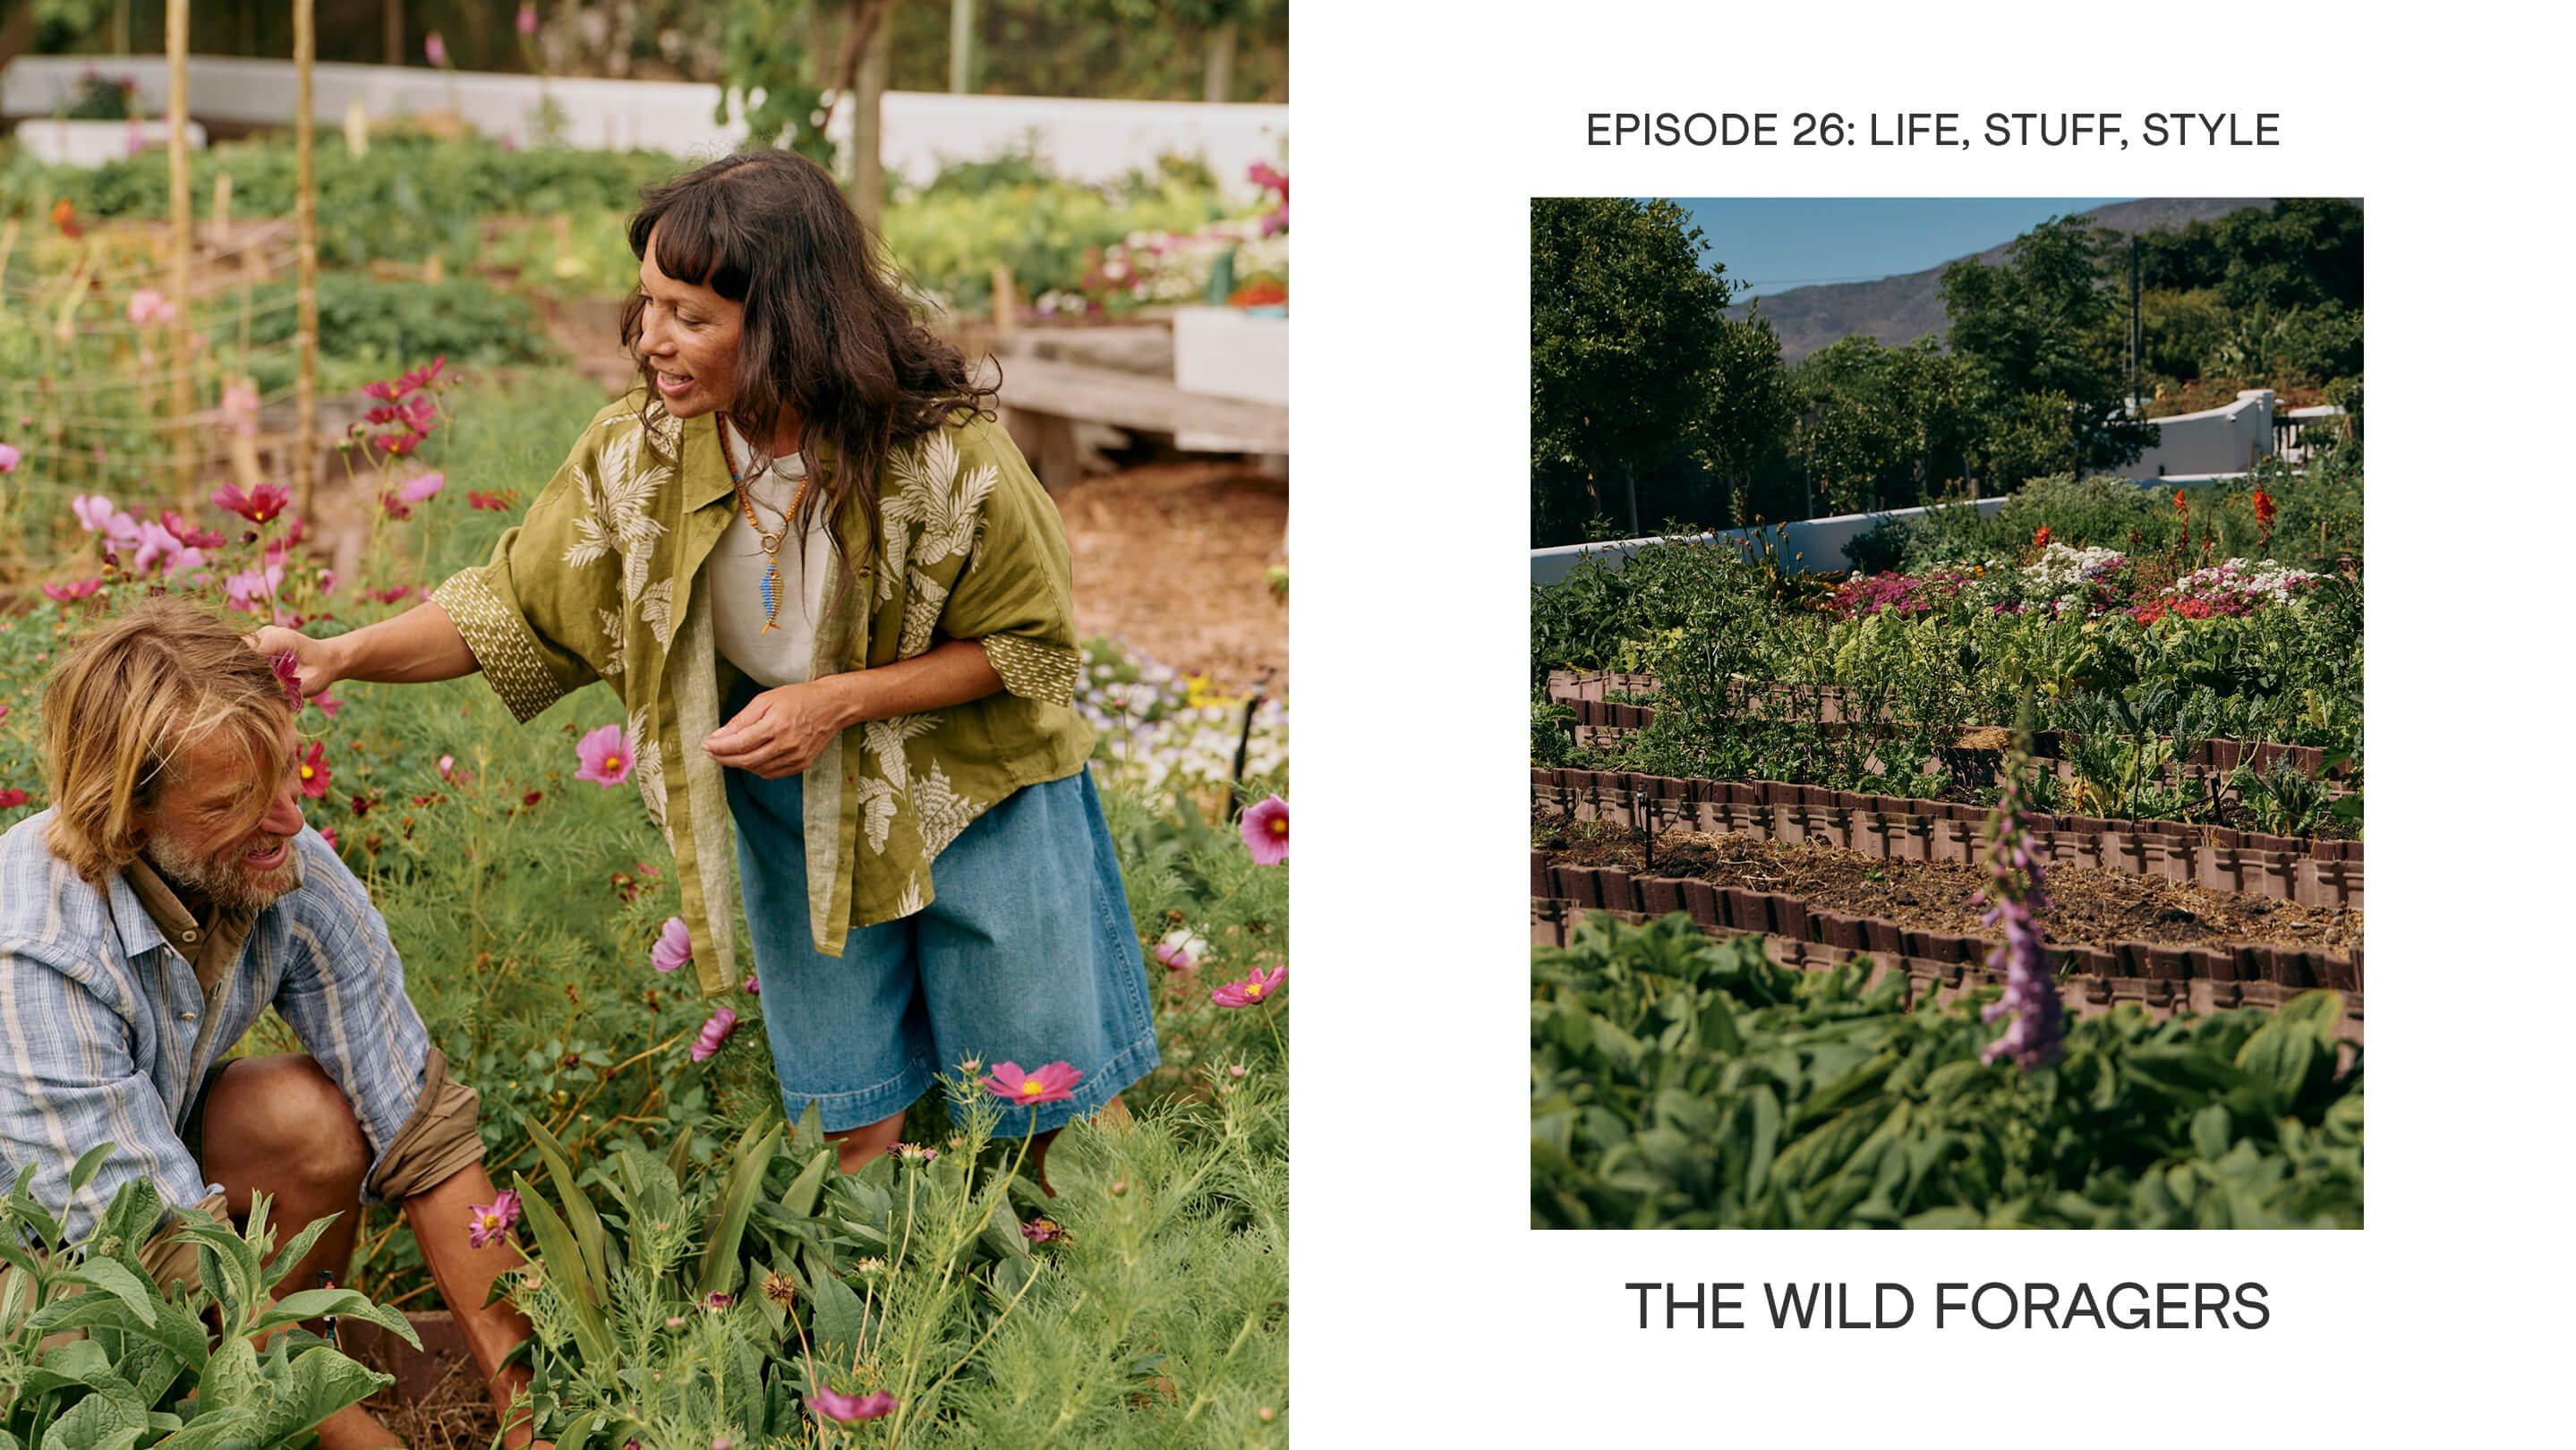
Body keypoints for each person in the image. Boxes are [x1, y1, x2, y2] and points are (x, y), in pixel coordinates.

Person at [254, 148, 1156, 1183]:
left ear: (783, 322)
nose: (651, 343)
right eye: (646, 306)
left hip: (977, 800)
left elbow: (1027, 649)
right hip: (803, 808)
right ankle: (869, 1340)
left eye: (689, 317)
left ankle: (1108, 1316)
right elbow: (513, 607)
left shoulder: (944, 456)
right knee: (850, 1124)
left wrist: (837, 699)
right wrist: (337, 655)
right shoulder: (637, 456)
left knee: (1046, 1115)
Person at [0, 597, 541, 1449]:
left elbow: (425, 1135)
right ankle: (292, 1417)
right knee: (94, 1396)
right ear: (127, 814)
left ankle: (299, 1381)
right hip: (38, 1260)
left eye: (289, 772)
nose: (290, 819)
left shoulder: (287, 865)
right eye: (232, 802)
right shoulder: (36, 950)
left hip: (158, 1216)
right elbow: (171, 1253)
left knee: (303, 1120)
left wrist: (539, 1418)